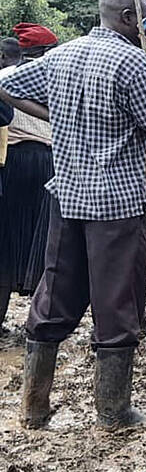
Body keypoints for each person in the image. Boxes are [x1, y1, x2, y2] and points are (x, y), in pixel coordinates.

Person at [0, 0, 146, 431]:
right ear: (129, 20)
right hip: (117, 206)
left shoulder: (61, 55)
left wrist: (54, 114)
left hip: (67, 197)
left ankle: (34, 408)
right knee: (117, 304)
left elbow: (4, 84)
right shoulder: (133, 61)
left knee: (54, 296)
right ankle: (114, 411)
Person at [0, 26, 59, 334]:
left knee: (6, 244)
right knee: (43, 246)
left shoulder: (8, 78)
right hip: (45, 163)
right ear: (45, 51)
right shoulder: (51, 77)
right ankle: (37, 326)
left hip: (10, 165)